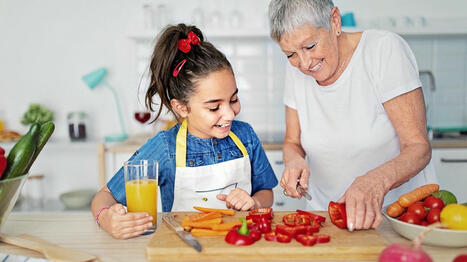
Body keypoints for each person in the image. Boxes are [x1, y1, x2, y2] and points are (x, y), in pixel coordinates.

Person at [91, 24, 278, 239]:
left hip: (241, 244)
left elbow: (266, 192)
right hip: (186, 251)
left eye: (233, 99)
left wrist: (254, 202)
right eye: (214, 107)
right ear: (182, 107)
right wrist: (107, 219)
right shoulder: (164, 147)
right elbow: (104, 196)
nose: (230, 114)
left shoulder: (245, 136)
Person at [268, 0, 436, 231]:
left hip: (397, 220)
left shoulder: (384, 50)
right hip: (325, 220)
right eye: (290, 54)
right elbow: (292, 142)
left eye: (310, 46)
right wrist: (294, 161)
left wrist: (374, 182)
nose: (304, 64)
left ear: (334, 21)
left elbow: (419, 148)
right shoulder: (295, 69)